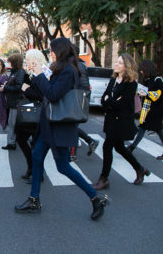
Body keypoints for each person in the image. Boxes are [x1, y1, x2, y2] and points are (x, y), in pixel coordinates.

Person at [15, 38, 108, 220]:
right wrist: (39, 75)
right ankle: (34, 199)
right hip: (48, 123)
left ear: (61, 51)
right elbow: (46, 91)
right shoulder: (59, 67)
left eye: (52, 50)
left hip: (60, 124)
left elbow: (52, 94)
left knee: (63, 166)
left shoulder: (69, 71)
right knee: (36, 156)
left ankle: (96, 197)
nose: (50, 53)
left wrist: (40, 75)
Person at [92, 54, 150, 190]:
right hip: (111, 119)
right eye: (116, 62)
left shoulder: (131, 83)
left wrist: (109, 101)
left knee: (107, 147)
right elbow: (103, 100)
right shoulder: (113, 79)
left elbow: (122, 104)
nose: (116, 64)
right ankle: (140, 169)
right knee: (119, 147)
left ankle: (103, 179)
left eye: (119, 63)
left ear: (127, 66)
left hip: (121, 121)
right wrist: (110, 101)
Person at [127, 60, 163, 160]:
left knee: (145, 128)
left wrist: (146, 94)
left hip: (155, 110)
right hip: (148, 109)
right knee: (153, 129)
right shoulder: (148, 80)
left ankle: (131, 148)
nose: (141, 72)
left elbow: (158, 94)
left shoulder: (158, 80)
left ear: (147, 69)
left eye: (143, 70)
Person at [18, 49, 45, 181]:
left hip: (38, 113)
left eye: (28, 60)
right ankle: (31, 168)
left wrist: (26, 89)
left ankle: (37, 173)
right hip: (29, 112)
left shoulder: (42, 73)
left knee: (36, 144)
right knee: (21, 139)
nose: (26, 62)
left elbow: (41, 95)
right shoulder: (29, 73)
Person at [69, 43, 98, 161]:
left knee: (72, 125)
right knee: (72, 125)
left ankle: (73, 152)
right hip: (80, 97)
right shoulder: (81, 64)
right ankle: (90, 141)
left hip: (75, 98)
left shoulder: (74, 65)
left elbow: (78, 84)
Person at [0, 53, 25, 150]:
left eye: (9, 61)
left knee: (12, 123)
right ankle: (12, 142)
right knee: (12, 123)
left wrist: (5, 87)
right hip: (12, 102)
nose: (7, 63)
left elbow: (19, 87)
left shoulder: (19, 72)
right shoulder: (15, 72)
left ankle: (12, 143)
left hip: (16, 102)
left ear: (14, 62)